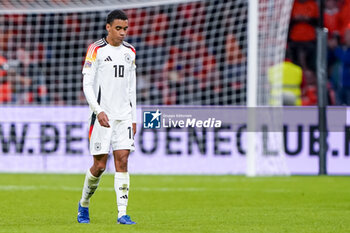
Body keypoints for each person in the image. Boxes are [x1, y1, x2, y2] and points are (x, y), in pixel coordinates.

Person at [77, 9, 137, 225]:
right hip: (102, 116)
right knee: (100, 166)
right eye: (118, 28)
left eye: (125, 29)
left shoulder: (130, 51)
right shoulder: (96, 50)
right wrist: (98, 110)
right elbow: (87, 85)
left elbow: (132, 88)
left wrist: (134, 116)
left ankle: (122, 213)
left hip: (123, 116)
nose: (123, 33)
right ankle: (84, 203)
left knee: (123, 160)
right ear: (108, 27)